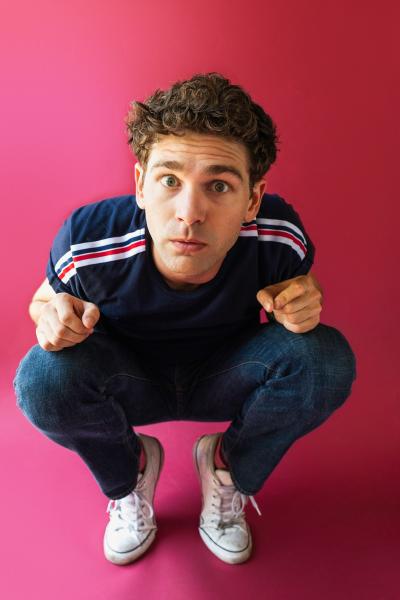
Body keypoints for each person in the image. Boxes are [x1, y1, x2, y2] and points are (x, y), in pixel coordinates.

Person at [13, 72, 357, 566]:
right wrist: (52, 318)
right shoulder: (89, 240)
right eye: (170, 181)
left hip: (227, 373)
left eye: (219, 185)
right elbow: (41, 302)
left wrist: (307, 300)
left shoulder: (276, 234)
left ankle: (225, 467)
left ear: (252, 200)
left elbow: (303, 288)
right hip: (127, 379)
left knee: (324, 358)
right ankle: (131, 472)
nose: (190, 213)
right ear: (140, 184)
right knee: (43, 376)